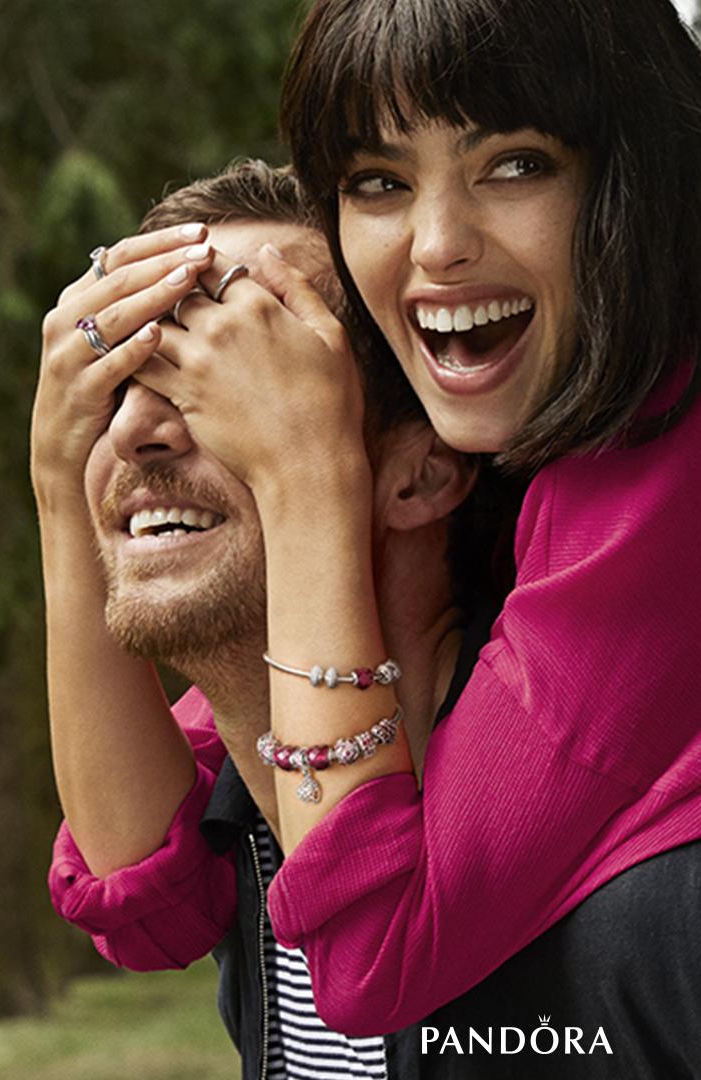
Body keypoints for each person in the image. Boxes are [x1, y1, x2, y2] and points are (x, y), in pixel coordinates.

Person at [42, 0, 701, 1072]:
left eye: (516, 165)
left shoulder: (687, 454)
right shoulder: (535, 505)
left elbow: (373, 956)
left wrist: (304, 467)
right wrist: (63, 486)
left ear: (628, 183)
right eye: (378, 181)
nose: (439, 243)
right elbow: (143, 897)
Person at [35, 161, 493, 1079]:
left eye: (236, 373)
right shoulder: (245, 823)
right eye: (119, 378)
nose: (133, 431)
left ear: (422, 473)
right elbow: (133, 889)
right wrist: (57, 479)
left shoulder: (600, 871)